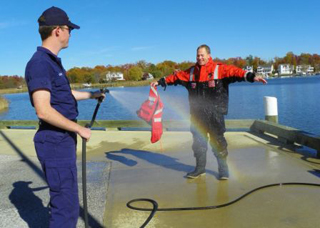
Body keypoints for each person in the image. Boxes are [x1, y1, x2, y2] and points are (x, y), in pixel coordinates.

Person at [25, 7, 105, 227]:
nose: (71, 33)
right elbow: (43, 109)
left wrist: (92, 95)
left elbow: (64, 95)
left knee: (66, 201)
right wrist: (78, 128)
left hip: (61, 141)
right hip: (54, 141)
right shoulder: (40, 63)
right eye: (70, 29)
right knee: (66, 209)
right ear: (58, 31)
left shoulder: (51, 62)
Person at [152, 44, 267, 180]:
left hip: (215, 114)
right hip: (197, 115)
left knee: (218, 142)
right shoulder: (190, 72)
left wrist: (252, 77)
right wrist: (160, 82)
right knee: (198, 143)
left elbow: (237, 72)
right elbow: (176, 77)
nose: (200, 57)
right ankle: (200, 169)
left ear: (208, 56)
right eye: (198, 55)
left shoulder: (220, 69)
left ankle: (224, 171)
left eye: (202, 55)